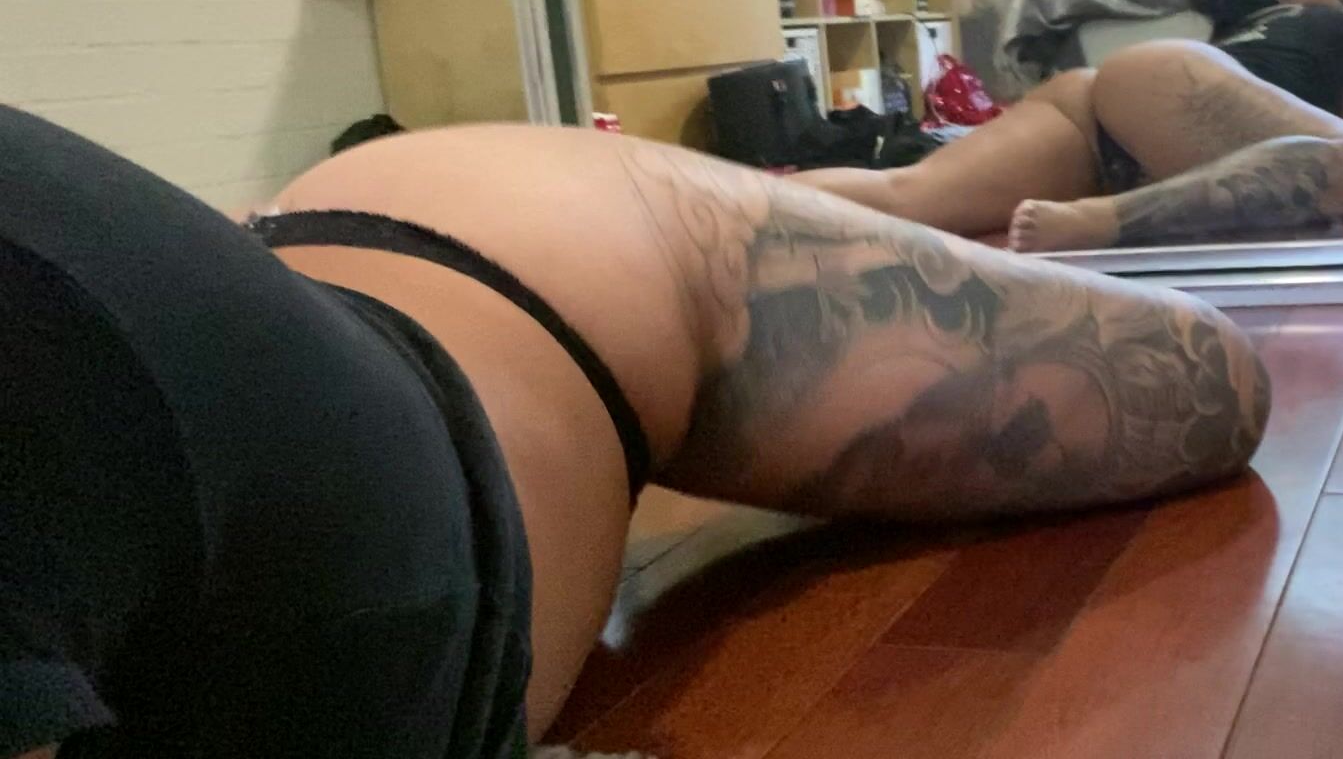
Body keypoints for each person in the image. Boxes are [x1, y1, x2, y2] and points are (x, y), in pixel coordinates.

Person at [0, 104, 1270, 759]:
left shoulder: (1145, 78)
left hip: (540, 258)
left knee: (1207, 379)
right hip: (355, 290)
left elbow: (1341, 171)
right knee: (911, 187)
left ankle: (857, 196)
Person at [794, 0, 1343, 253]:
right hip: (1161, 92)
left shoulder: (1237, 36)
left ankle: (733, 206)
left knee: (904, 193)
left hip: (1106, 95)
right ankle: (1110, 220)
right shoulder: (1326, 23)